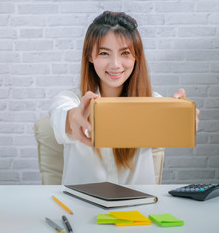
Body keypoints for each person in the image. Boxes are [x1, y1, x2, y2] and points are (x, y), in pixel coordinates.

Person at [49, 11, 200, 185]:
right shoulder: (69, 100)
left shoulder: (152, 102)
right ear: (90, 56)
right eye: (104, 53)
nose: (115, 64)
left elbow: (176, 129)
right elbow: (64, 117)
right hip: (82, 206)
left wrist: (185, 121)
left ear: (136, 56)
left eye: (125, 53)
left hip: (138, 206)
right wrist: (75, 118)